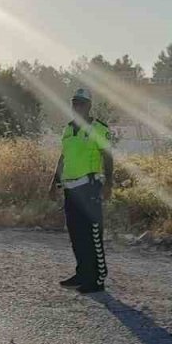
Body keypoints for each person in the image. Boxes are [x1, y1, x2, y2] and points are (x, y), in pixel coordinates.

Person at [48, 88, 114, 294]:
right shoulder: (68, 129)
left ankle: (98, 278)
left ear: (89, 106)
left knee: (93, 234)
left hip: (90, 187)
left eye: (82, 103)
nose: (78, 107)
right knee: (76, 234)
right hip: (71, 189)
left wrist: (109, 184)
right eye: (75, 103)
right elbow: (63, 157)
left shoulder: (99, 128)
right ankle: (82, 273)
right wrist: (54, 182)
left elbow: (108, 157)